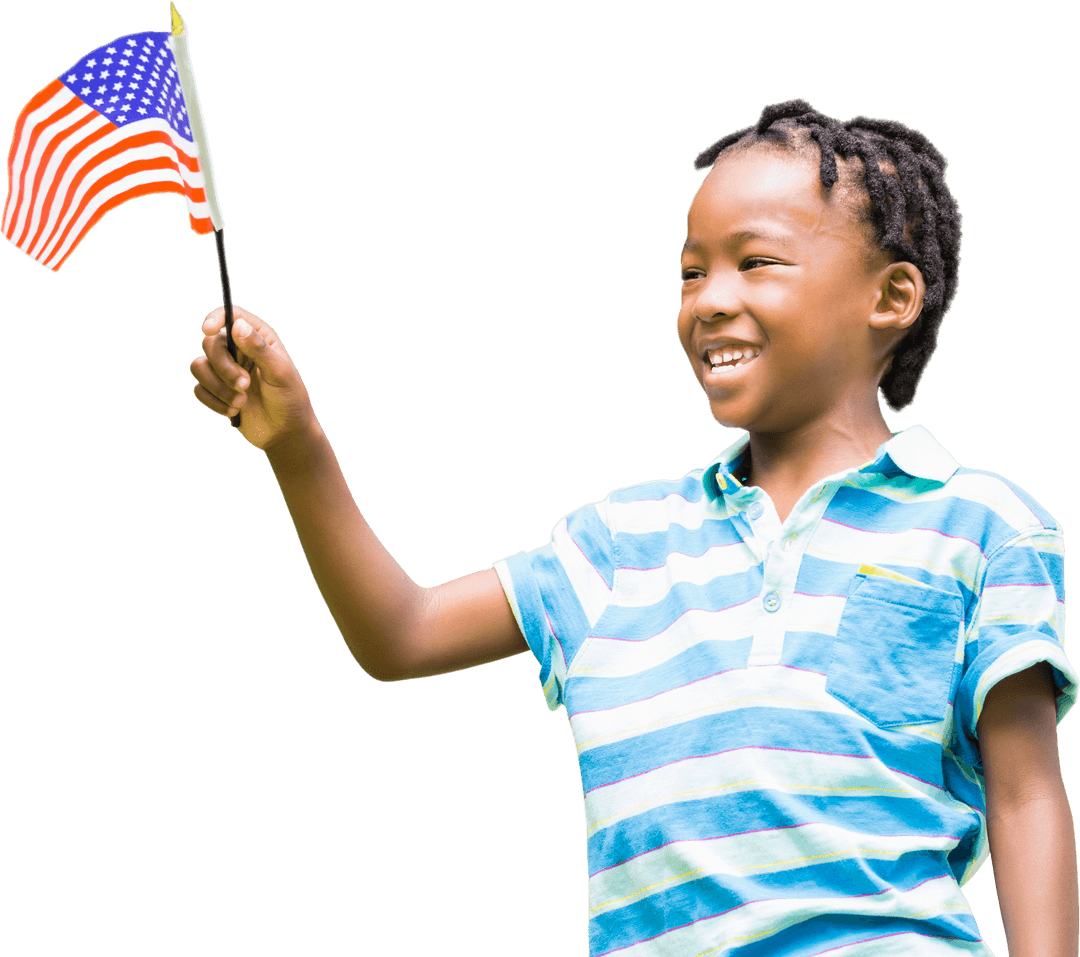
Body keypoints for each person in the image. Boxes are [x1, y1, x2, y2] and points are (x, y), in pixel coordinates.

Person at [189, 99, 1078, 957]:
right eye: (692, 272)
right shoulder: (622, 541)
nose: (709, 300)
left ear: (891, 297)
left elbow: (1027, 794)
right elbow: (401, 632)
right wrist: (297, 445)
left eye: (756, 261)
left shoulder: (983, 524)